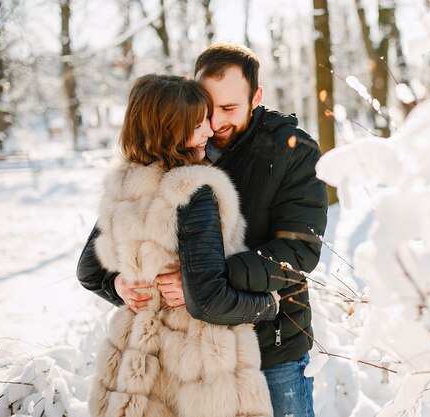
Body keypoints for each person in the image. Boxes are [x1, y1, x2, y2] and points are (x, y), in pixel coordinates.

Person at [77, 43, 328, 417]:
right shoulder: (180, 149)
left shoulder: (293, 150)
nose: (214, 123)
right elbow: (103, 254)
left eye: (229, 109)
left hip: (272, 343)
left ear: (255, 97)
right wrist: (119, 284)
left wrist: (208, 277)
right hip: (186, 360)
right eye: (206, 110)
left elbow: (301, 252)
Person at [87, 74, 277, 417]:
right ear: (169, 128)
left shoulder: (123, 186)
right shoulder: (192, 192)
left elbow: (88, 269)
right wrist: (266, 306)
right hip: (199, 367)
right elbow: (206, 301)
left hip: (139, 362)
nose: (209, 130)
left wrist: (120, 285)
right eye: (198, 123)